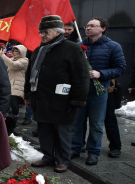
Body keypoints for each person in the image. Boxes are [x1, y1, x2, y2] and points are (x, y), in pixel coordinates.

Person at [25, 15, 90, 173]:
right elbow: (30, 73)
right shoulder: (38, 50)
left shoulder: (72, 49)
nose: (42, 35)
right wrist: (27, 94)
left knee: (62, 133)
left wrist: (77, 100)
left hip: (62, 101)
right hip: (41, 99)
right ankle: (48, 156)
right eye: (41, 32)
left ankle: (62, 160)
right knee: (44, 130)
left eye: (46, 32)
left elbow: (81, 76)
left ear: (57, 31)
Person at [71, 17, 126, 165]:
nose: (88, 28)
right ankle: (75, 148)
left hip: (100, 91)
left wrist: (101, 74)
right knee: (77, 122)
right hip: (81, 90)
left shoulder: (113, 46)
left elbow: (120, 68)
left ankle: (93, 152)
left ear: (103, 28)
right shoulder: (78, 46)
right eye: (86, 26)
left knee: (96, 123)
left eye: (92, 26)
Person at [0, 45, 29, 135]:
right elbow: (5, 64)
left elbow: (13, 65)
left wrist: (3, 55)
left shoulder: (24, 60)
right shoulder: (12, 59)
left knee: (14, 103)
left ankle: (14, 121)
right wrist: (2, 55)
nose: (14, 53)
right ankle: (7, 121)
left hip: (16, 85)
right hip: (9, 84)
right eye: (14, 51)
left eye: (17, 51)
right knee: (7, 103)